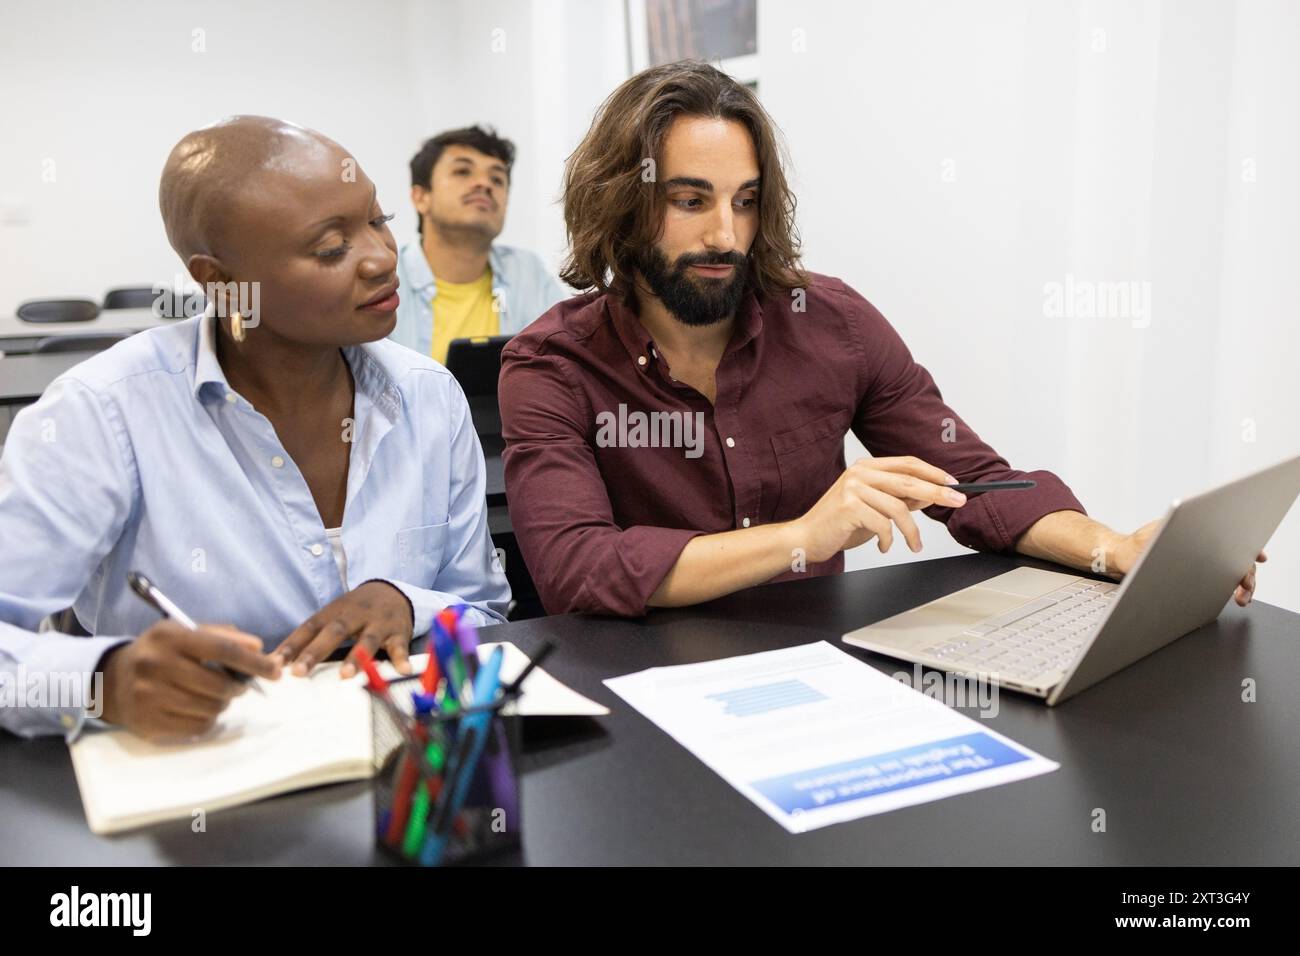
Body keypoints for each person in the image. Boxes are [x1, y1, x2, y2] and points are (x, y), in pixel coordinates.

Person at [499, 61, 1264, 616]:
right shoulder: (551, 365)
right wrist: (803, 535)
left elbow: (976, 484)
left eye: (747, 201)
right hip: (640, 697)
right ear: (620, 203)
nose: (725, 234)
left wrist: (1116, 549)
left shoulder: (833, 325)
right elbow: (578, 569)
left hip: (823, 678)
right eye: (690, 200)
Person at [0, 116, 510, 741]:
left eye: (379, 222)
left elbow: (485, 612)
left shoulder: (429, 396)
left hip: (405, 781)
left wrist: (411, 604)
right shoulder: (99, 416)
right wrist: (103, 679)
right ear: (223, 283)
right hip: (200, 790)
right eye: (330, 249)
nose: (381, 259)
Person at [390, 126, 569, 363]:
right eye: (463, 171)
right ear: (421, 197)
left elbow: (567, 360)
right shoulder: (386, 278)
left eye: (497, 178)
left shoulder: (528, 272)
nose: (484, 183)